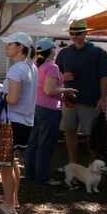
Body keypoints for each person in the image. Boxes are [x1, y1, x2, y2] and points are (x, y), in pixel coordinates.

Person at [0, 32, 38, 214]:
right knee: (13, 161)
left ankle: (8, 205)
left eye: (10, 44)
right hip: (25, 121)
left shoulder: (16, 69)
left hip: (12, 122)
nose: (7, 47)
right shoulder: (31, 68)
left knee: (5, 165)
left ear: (20, 47)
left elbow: (13, 98)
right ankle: (13, 198)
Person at [56, 20, 107, 164]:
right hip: (69, 100)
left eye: (78, 33)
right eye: (72, 33)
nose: (75, 36)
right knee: (69, 131)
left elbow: (104, 77)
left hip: (90, 99)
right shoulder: (64, 52)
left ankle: (93, 165)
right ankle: (73, 163)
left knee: (92, 134)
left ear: (86, 33)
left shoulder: (98, 52)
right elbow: (55, 75)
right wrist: (63, 77)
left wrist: (103, 98)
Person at [24, 38, 63, 186]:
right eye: (54, 47)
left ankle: (29, 173)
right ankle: (42, 177)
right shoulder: (52, 67)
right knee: (45, 144)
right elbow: (49, 90)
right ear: (51, 50)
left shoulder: (34, 66)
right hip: (49, 110)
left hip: (35, 107)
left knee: (33, 142)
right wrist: (66, 89)